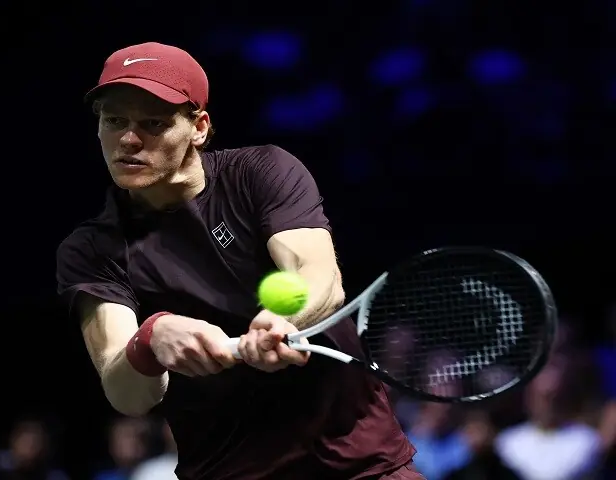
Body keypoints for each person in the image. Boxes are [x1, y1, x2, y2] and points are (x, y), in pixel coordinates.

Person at [56, 42, 419, 480]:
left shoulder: (261, 172)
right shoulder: (91, 249)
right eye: (114, 121)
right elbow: (127, 394)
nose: (129, 139)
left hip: (359, 465)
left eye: (153, 122)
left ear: (199, 128)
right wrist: (149, 341)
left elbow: (319, 275)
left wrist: (284, 317)